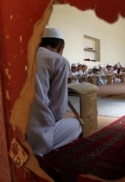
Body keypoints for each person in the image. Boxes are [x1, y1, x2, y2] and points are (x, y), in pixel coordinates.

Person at [27, 28, 82, 156]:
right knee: (76, 124)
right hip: (37, 134)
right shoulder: (58, 61)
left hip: (10, 130)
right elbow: (58, 107)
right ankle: (40, 148)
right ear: (61, 46)